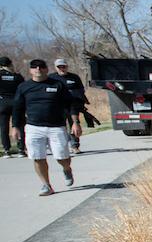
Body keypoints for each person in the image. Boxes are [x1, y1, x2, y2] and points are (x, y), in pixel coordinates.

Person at [11, 59, 79, 195]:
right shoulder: (24, 87)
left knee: (62, 157)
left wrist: (75, 122)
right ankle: (46, 185)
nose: (38, 69)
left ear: (46, 69)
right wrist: (15, 126)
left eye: (41, 67)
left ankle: (67, 169)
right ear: (30, 70)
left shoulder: (58, 85)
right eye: (34, 67)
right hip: (33, 127)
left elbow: (70, 104)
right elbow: (17, 108)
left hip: (56, 127)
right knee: (38, 157)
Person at [53, 58, 88, 153]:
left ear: (67, 67)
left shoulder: (74, 77)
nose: (62, 68)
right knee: (60, 127)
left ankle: (75, 146)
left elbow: (81, 90)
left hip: (73, 105)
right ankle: (62, 146)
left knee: (74, 125)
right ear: (56, 68)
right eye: (59, 67)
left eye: (63, 66)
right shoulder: (52, 78)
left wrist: (80, 101)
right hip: (58, 106)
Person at [0, 56, 25, 156]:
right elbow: (23, 89)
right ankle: (21, 149)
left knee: (3, 127)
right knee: (19, 126)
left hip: (3, 103)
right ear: (10, 64)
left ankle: (6, 150)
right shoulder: (17, 76)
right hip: (16, 102)